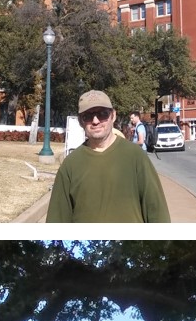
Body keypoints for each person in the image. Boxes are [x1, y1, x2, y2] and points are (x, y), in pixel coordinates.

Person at [46, 90, 171, 223]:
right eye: (88, 116)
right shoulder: (70, 165)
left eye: (102, 114)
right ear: (81, 121)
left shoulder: (135, 156)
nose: (95, 121)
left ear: (113, 116)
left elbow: (157, 212)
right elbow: (56, 221)